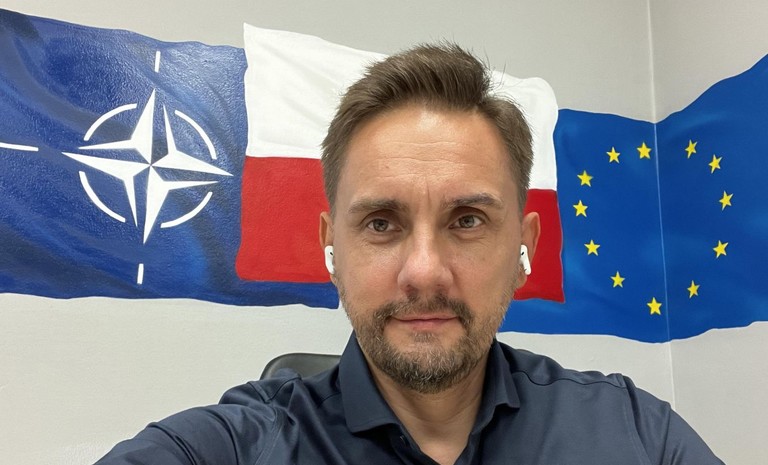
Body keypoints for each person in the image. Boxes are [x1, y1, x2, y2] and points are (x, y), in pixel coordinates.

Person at [95, 43, 723, 465]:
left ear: (524, 247)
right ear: (332, 247)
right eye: (381, 223)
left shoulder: (635, 434)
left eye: (467, 220)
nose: (424, 270)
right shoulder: (236, 446)